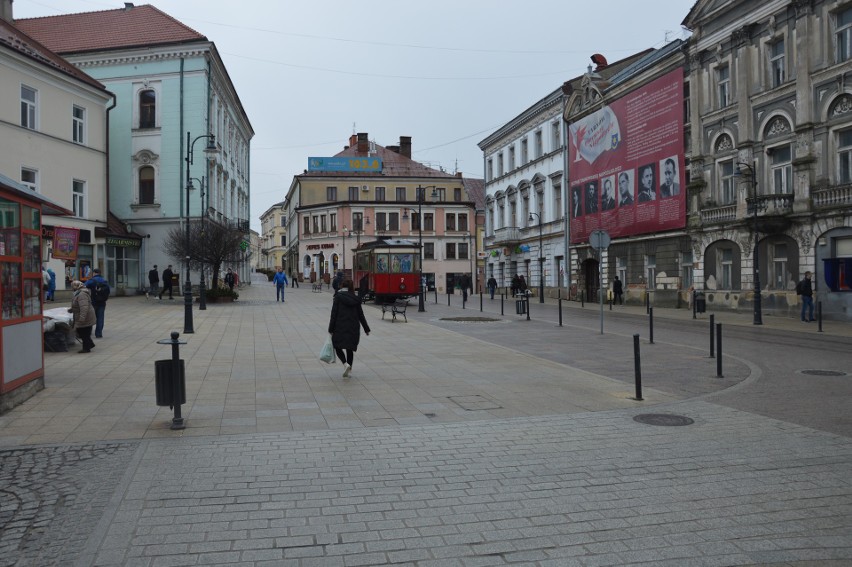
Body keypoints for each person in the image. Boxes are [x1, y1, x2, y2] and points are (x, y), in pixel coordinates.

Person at [328, 278, 370, 379]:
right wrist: (366, 328)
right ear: (351, 287)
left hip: (340, 326)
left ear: (342, 286)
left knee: (337, 346)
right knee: (349, 348)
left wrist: (330, 329)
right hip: (353, 327)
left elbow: (334, 314)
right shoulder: (356, 299)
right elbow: (361, 315)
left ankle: (345, 364)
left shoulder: (338, 297)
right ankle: (349, 368)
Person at [68, 280, 96, 353]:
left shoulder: (81, 294)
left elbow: (84, 307)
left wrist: (82, 318)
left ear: (77, 286)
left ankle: (86, 348)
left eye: (73, 286)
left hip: (86, 317)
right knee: (83, 332)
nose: (72, 288)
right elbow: (78, 304)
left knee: (83, 332)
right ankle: (90, 344)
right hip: (84, 316)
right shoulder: (78, 293)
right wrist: (72, 309)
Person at [84, 268, 110, 338]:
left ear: (94, 273)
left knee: (90, 318)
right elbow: (108, 291)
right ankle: (99, 334)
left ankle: (88, 333)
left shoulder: (92, 280)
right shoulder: (104, 281)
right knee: (100, 318)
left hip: (93, 302)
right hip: (102, 302)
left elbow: (84, 286)